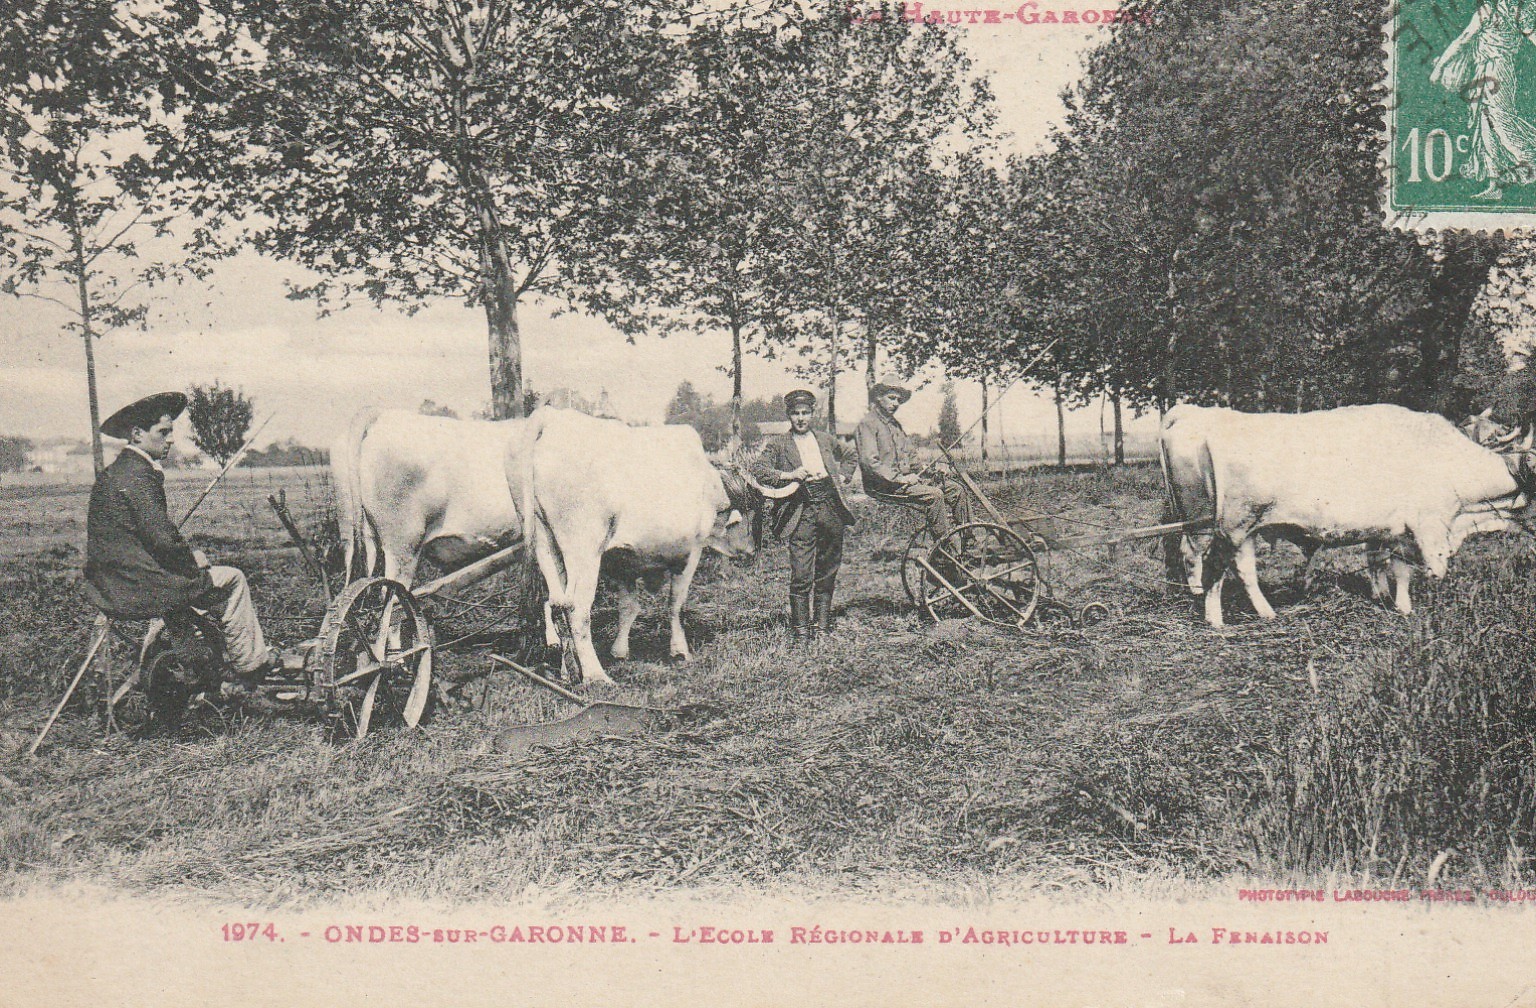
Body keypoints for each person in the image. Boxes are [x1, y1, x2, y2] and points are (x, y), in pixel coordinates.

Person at [83, 391, 278, 697]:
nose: (171, 439)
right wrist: (193, 560)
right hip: (141, 586)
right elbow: (162, 539)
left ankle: (200, 656)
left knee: (203, 587)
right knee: (234, 580)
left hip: (109, 585)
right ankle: (251, 666)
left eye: (171, 431)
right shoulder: (139, 474)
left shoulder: (115, 473)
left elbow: (141, 537)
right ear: (137, 434)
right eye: (163, 432)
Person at [751, 389, 856, 641]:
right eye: (796, 413)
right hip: (800, 509)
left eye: (805, 413)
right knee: (801, 572)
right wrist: (788, 475)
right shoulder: (779, 444)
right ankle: (800, 631)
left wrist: (844, 476)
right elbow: (758, 469)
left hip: (830, 506)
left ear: (812, 414)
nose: (801, 418)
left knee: (828, 567)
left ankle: (820, 626)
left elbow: (851, 454)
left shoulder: (825, 439)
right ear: (789, 415)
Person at [1432, 0, 1536, 200]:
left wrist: (1438, 69)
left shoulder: (1503, 12)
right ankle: (1494, 184)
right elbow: (1463, 39)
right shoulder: (1507, 11)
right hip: (1485, 72)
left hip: (1498, 73)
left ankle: (1529, 160)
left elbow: (1462, 39)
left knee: (1500, 121)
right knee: (1485, 126)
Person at [855, 381, 967, 539]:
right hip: (884, 486)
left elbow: (912, 458)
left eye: (898, 400)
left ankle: (968, 542)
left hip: (904, 482)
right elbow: (870, 463)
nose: (895, 403)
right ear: (879, 397)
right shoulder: (868, 424)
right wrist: (901, 479)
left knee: (956, 489)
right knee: (935, 495)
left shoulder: (895, 425)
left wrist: (931, 471)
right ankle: (944, 555)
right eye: (891, 398)